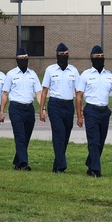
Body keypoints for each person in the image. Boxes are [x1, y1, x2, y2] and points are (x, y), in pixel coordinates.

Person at [75, 45, 112, 177]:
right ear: (92, 58)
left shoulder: (110, 76)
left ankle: (91, 164)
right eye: (97, 57)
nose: (100, 59)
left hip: (104, 112)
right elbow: (79, 96)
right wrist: (79, 115)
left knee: (101, 141)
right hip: (91, 111)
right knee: (94, 141)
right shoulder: (85, 75)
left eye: (102, 57)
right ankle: (95, 170)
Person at [0, 47, 42, 171]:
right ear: (17, 60)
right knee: (20, 136)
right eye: (21, 58)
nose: (23, 60)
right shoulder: (11, 74)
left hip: (29, 109)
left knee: (26, 137)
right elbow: (5, 94)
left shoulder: (33, 74)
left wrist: (42, 108)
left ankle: (17, 162)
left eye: (25, 58)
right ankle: (24, 163)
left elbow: (38, 93)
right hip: (16, 108)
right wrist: (1, 112)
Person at [39, 43, 78, 173]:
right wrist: (42, 109)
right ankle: (61, 166)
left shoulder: (73, 70)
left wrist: (80, 112)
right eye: (61, 54)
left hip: (68, 105)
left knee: (65, 135)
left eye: (66, 54)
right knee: (59, 134)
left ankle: (56, 165)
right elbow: (44, 91)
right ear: (57, 55)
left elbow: (79, 92)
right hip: (55, 104)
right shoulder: (50, 70)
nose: (64, 56)